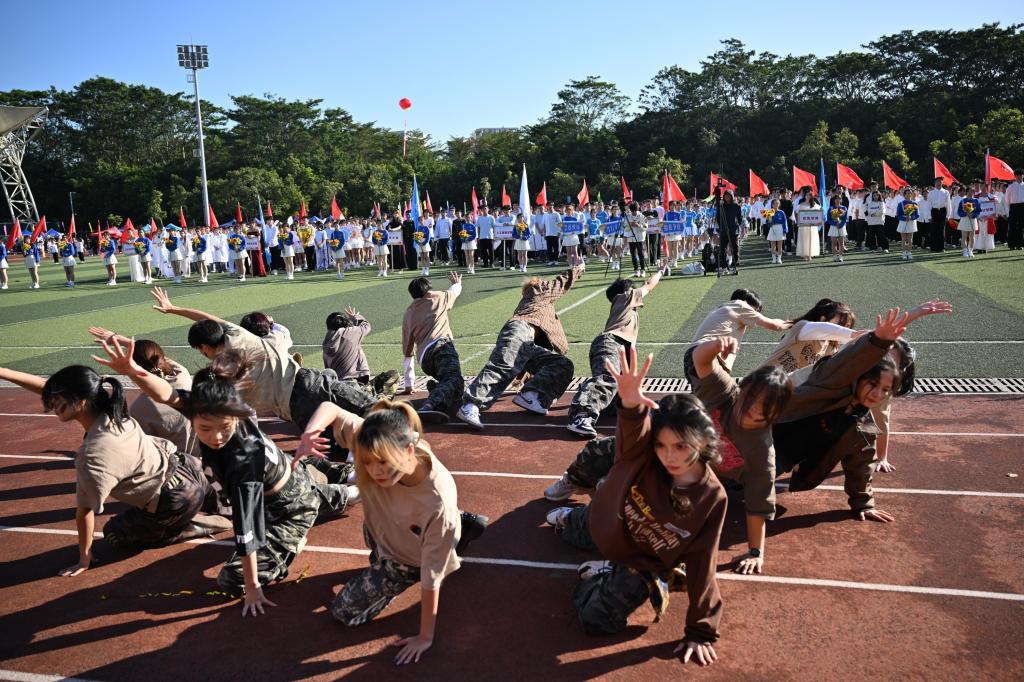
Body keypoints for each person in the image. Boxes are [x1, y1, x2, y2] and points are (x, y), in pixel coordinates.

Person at [95, 341, 357, 613]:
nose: (216, 436)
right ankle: (345, 488)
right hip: (285, 477)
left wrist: (252, 586)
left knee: (232, 580)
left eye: (224, 427)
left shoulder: (241, 462)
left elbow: (246, 532)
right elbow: (165, 394)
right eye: (205, 428)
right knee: (325, 492)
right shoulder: (211, 405)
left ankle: (321, 512)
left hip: (288, 507)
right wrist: (133, 371)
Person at [545, 349, 725, 666]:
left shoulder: (711, 497)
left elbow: (704, 563)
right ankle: (572, 519)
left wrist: (701, 631)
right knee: (568, 529)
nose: (670, 456)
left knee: (595, 620)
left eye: (681, 446)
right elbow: (632, 432)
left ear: (702, 442)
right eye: (662, 445)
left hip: (642, 558)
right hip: (608, 522)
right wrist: (630, 404)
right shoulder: (642, 453)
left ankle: (602, 576)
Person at [296, 400, 487, 665]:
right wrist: (309, 434)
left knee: (343, 612)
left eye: (383, 462)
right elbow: (331, 408)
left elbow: (432, 578)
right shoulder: (374, 438)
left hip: (410, 559)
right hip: (388, 525)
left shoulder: (436, 502)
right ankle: (450, 528)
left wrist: (425, 637)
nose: (375, 471)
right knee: (373, 530)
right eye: (367, 462)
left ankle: (446, 538)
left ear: (409, 451)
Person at [0, 363, 228, 576]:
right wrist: (3, 372)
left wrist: (84, 558)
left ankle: (190, 526)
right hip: (191, 468)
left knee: (114, 534)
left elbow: (84, 511)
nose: (53, 405)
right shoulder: (114, 409)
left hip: (176, 499)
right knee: (229, 507)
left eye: (59, 399)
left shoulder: (92, 454)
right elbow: (46, 388)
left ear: (81, 401)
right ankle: (222, 508)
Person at [147, 287, 377, 427]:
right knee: (372, 412)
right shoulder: (238, 334)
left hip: (295, 408)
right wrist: (173, 308)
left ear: (204, 347)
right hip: (311, 382)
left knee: (352, 439)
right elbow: (205, 317)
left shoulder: (221, 371)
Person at [457, 265, 583, 429]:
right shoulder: (537, 291)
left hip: (528, 342)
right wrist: (578, 268)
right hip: (520, 330)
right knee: (502, 366)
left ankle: (531, 395)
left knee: (562, 364)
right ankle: (470, 405)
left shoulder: (540, 304)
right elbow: (560, 283)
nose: (546, 285)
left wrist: (525, 377)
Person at [566, 269, 664, 438]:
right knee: (608, 379)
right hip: (611, 343)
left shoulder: (625, 307)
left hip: (619, 349)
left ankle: (591, 398)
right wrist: (661, 271)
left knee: (622, 399)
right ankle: (581, 415)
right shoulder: (625, 297)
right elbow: (649, 285)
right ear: (628, 291)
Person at [401, 272, 465, 424]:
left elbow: (407, 351)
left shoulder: (409, 313)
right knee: (454, 379)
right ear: (428, 289)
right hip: (442, 347)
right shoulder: (438, 297)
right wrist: (456, 282)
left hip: (425, 360)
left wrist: (409, 384)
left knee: (458, 388)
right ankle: (429, 405)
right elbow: (455, 291)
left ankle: (437, 388)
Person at [757, 298, 858, 373]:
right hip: (762, 382)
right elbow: (821, 329)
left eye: (847, 327)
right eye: (840, 324)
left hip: (788, 390)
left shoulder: (831, 348)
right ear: (823, 319)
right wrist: (854, 335)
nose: (843, 329)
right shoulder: (802, 327)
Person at [324, 306, 400, 398]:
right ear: (346, 323)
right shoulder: (351, 333)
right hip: (355, 384)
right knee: (393, 375)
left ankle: (368, 392)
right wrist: (355, 317)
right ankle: (376, 399)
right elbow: (366, 326)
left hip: (338, 387)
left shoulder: (327, 341)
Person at [926, 177, 952, 253]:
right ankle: (933, 247)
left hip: (942, 211)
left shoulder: (946, 192)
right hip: (934, 211)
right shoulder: (931, 193)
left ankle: (941, 247)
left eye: (940, 182)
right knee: (934, 230)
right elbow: (928, 205)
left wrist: (948, 216)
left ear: (942, 183)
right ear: (935, 183)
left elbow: (948, 204)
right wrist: (929, 216)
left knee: (942, 230)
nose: (938, 183)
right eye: (937, 182)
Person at [794, 196, 821, 262]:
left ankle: (810, 254)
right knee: (804, 239)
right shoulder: (801, 204)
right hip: (803, 226)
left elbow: (820, 211)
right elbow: (796, 212)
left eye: (809, 195)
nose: (808, 197)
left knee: (812, 239)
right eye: (807, 195)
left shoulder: (815, 204)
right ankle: (805, 254)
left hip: (812, 225)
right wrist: (798, 221)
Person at [895, 188, 920, 261]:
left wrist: (912, 217)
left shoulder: (914, 203)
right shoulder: (901, 203)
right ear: (904, 195)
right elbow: (898, 215)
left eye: (910, 193)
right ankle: (904, 253)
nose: (909, 194)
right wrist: (904, 218)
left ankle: (909, 252)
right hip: (903, 222)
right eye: (907, 193)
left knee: (910, 238)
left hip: (911, 222)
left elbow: (917, 214)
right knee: (903, 239)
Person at [956, 192, 982, 258]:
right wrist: (965, 214)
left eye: (972, 192)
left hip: (973, 220)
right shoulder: (962, 201)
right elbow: (959, 211)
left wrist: (973, 215)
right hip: (964, 219)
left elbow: (978, 211)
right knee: (964, 236)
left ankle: (970, 251)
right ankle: (965, 251)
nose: (970, 193)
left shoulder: (976, 201)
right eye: (969, 192)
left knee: (972, 236)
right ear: (966, 193)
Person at [1004, 168, 1024, 250]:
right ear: (1015, 176)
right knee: (1012, 226)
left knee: (1021, 226)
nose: (1019, 176)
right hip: (1013, 207)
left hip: (1022, 207)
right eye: (1017, 175)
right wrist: (1007, 212)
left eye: (1021, 175)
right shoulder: (1010, 187)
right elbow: (1007, 200)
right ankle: (1012, 245)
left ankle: (1020, 245)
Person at [825, 196, 849, 262]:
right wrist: (835, 223)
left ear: (841, 200)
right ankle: (835, 257)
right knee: (834, 243)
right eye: (836, 199)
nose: (838, 200)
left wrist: (840, 224)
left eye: (839, 199)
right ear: (834, 200)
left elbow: (845, 218)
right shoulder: (831, 208)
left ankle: (840, 257)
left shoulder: (844, 208)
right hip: (833, 227)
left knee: (841, 243)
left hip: (841, 227)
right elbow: (829, 219)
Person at [765, 199, 788, 264]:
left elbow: (784, 221)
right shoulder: (770, 212)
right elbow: (768, 222)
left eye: (778, 203)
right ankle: (774, 259)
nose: (776, 205)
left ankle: (779, 259)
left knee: (780, 245)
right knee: (772, 245)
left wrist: (785, 230)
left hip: (780, 228)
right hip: (772, 228)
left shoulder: (782, 212)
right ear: (772, 205)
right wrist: (769, 222)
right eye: (775, 203)